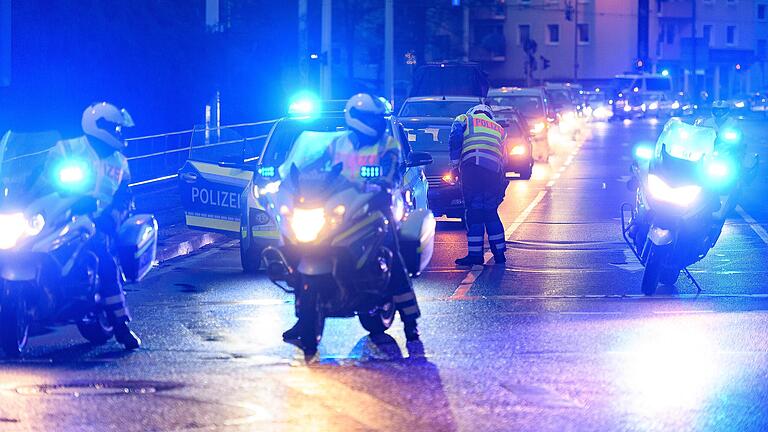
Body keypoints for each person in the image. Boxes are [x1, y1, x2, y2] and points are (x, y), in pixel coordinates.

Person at [282, 93, 422, 342]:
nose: (377, 123)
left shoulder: (387, 144)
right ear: (356, 117)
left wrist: (382, 183)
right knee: (306, 246)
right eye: (372, 118)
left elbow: (391, 170)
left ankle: (410, 321)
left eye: (378, 119)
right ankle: (304, 319)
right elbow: (315, 165)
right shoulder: (338, 143)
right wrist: (296, 179)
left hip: (377, 206)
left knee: (394, 253)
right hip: (341, 205)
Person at [49, 102, 141, 349]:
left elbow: (124, 197)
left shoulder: (120, 162)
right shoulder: (68, 148)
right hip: (59, 217)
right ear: (99, 126)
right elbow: (42, 182)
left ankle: (121, 326)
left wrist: (110, 220)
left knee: (105, 260)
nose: (118, 134)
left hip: (98, 224)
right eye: (115, 129)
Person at [449, 104, 508, 266]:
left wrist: (455, 164)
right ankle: (499, 253)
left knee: (474, 211)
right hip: (493, 174)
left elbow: (455, 137)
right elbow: (505, 159)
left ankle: (475, 255)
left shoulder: (464, 119)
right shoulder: (499, 129)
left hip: (472, 169)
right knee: (490, 211)